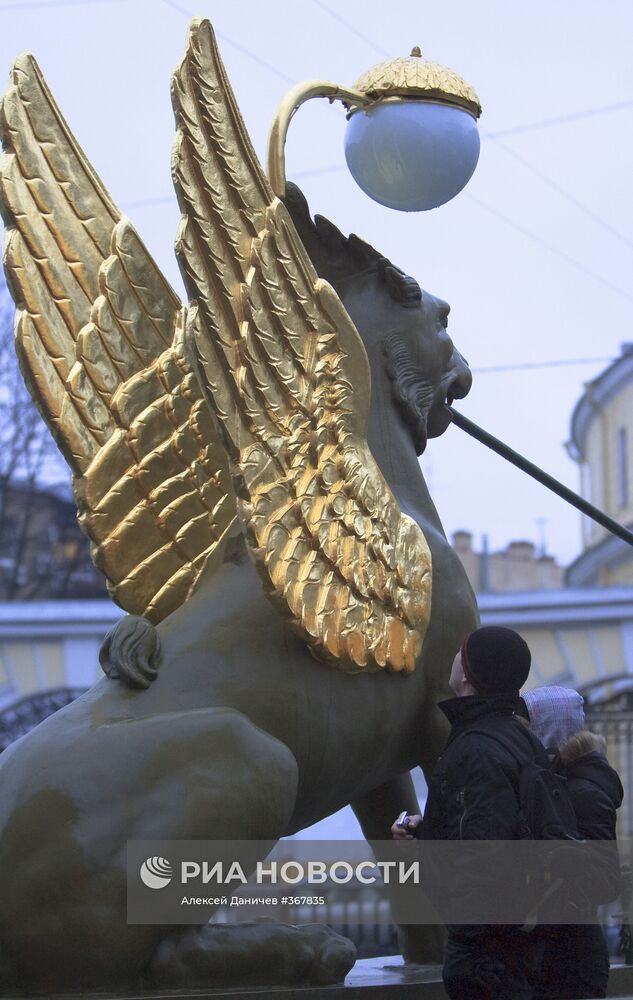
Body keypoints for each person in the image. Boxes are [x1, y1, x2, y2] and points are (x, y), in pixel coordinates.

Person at [392, 625, 546, 1000]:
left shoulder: (475, 748)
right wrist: (430, 832)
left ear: (468, 673)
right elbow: (501, 824)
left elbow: (484, 858)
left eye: (461, 652)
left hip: (485, 959)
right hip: (512, 947)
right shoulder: (515, 735)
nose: (454, 657)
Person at [518, 686, 623, 1000]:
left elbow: (606, 882)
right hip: (548, 954)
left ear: (546, 730)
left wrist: (558, 856)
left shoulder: (582, 793)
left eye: (527, 725)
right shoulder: (549, 781)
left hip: (570, 962)